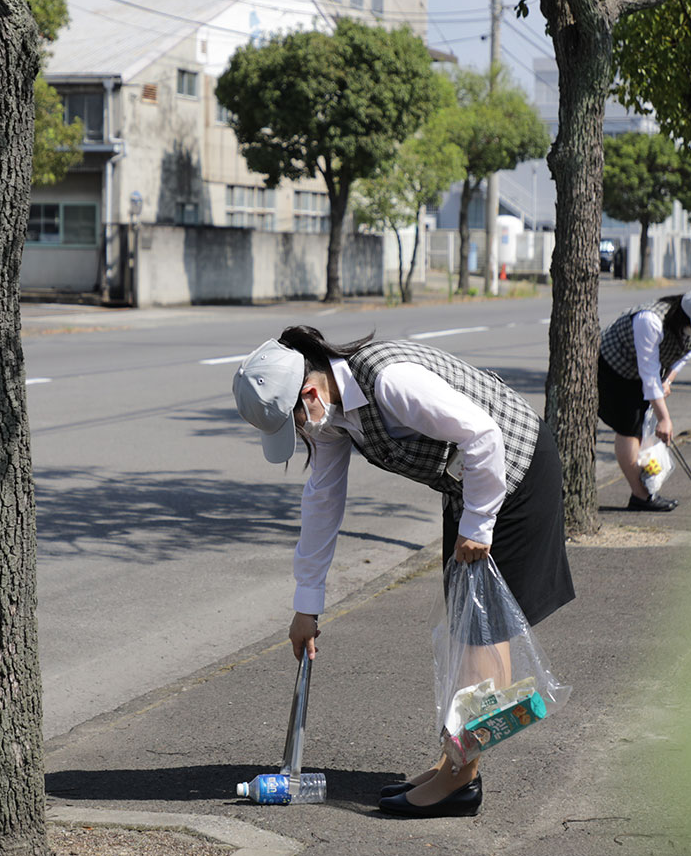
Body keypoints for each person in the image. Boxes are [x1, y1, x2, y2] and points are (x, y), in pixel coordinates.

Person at [233, 326, 575, 819]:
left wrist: (478, 524)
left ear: (309, 393)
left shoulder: (390, 381)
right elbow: (322, 502)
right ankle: (453, 761)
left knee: (482, 633)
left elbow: (484, 434)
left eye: (296, 425)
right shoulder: (333, 414)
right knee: (465, 627)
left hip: (512, 474)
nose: (305, 435)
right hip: (471, 485)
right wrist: (305, 606)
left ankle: (461, 778)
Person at [596, 287, 691, 512]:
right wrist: (665, 419)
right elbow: (649, 373)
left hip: (641, 374)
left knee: (638, 429)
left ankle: (644, 493)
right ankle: (641, 496)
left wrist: (669, 380)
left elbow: (684, 354)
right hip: (612, 368)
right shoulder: (650, 321)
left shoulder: (688, 326)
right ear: (684, 316)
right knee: (629, 428)